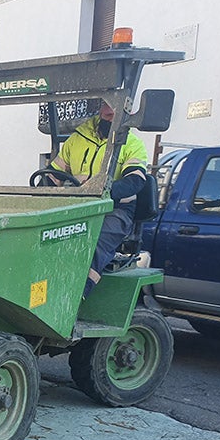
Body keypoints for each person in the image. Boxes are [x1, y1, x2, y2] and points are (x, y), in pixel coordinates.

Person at [47, 103, 148, 297]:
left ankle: (75, 296)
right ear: (100, 108)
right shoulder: (76, 140)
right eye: (107, 107)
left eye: (116, 110)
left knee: (96, 241)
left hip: (115, 210)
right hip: (77, 207)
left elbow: (134, 181)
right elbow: (52, 176)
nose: (111, 112)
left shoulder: (132, 144)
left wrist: (103, 190)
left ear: (129, 112)